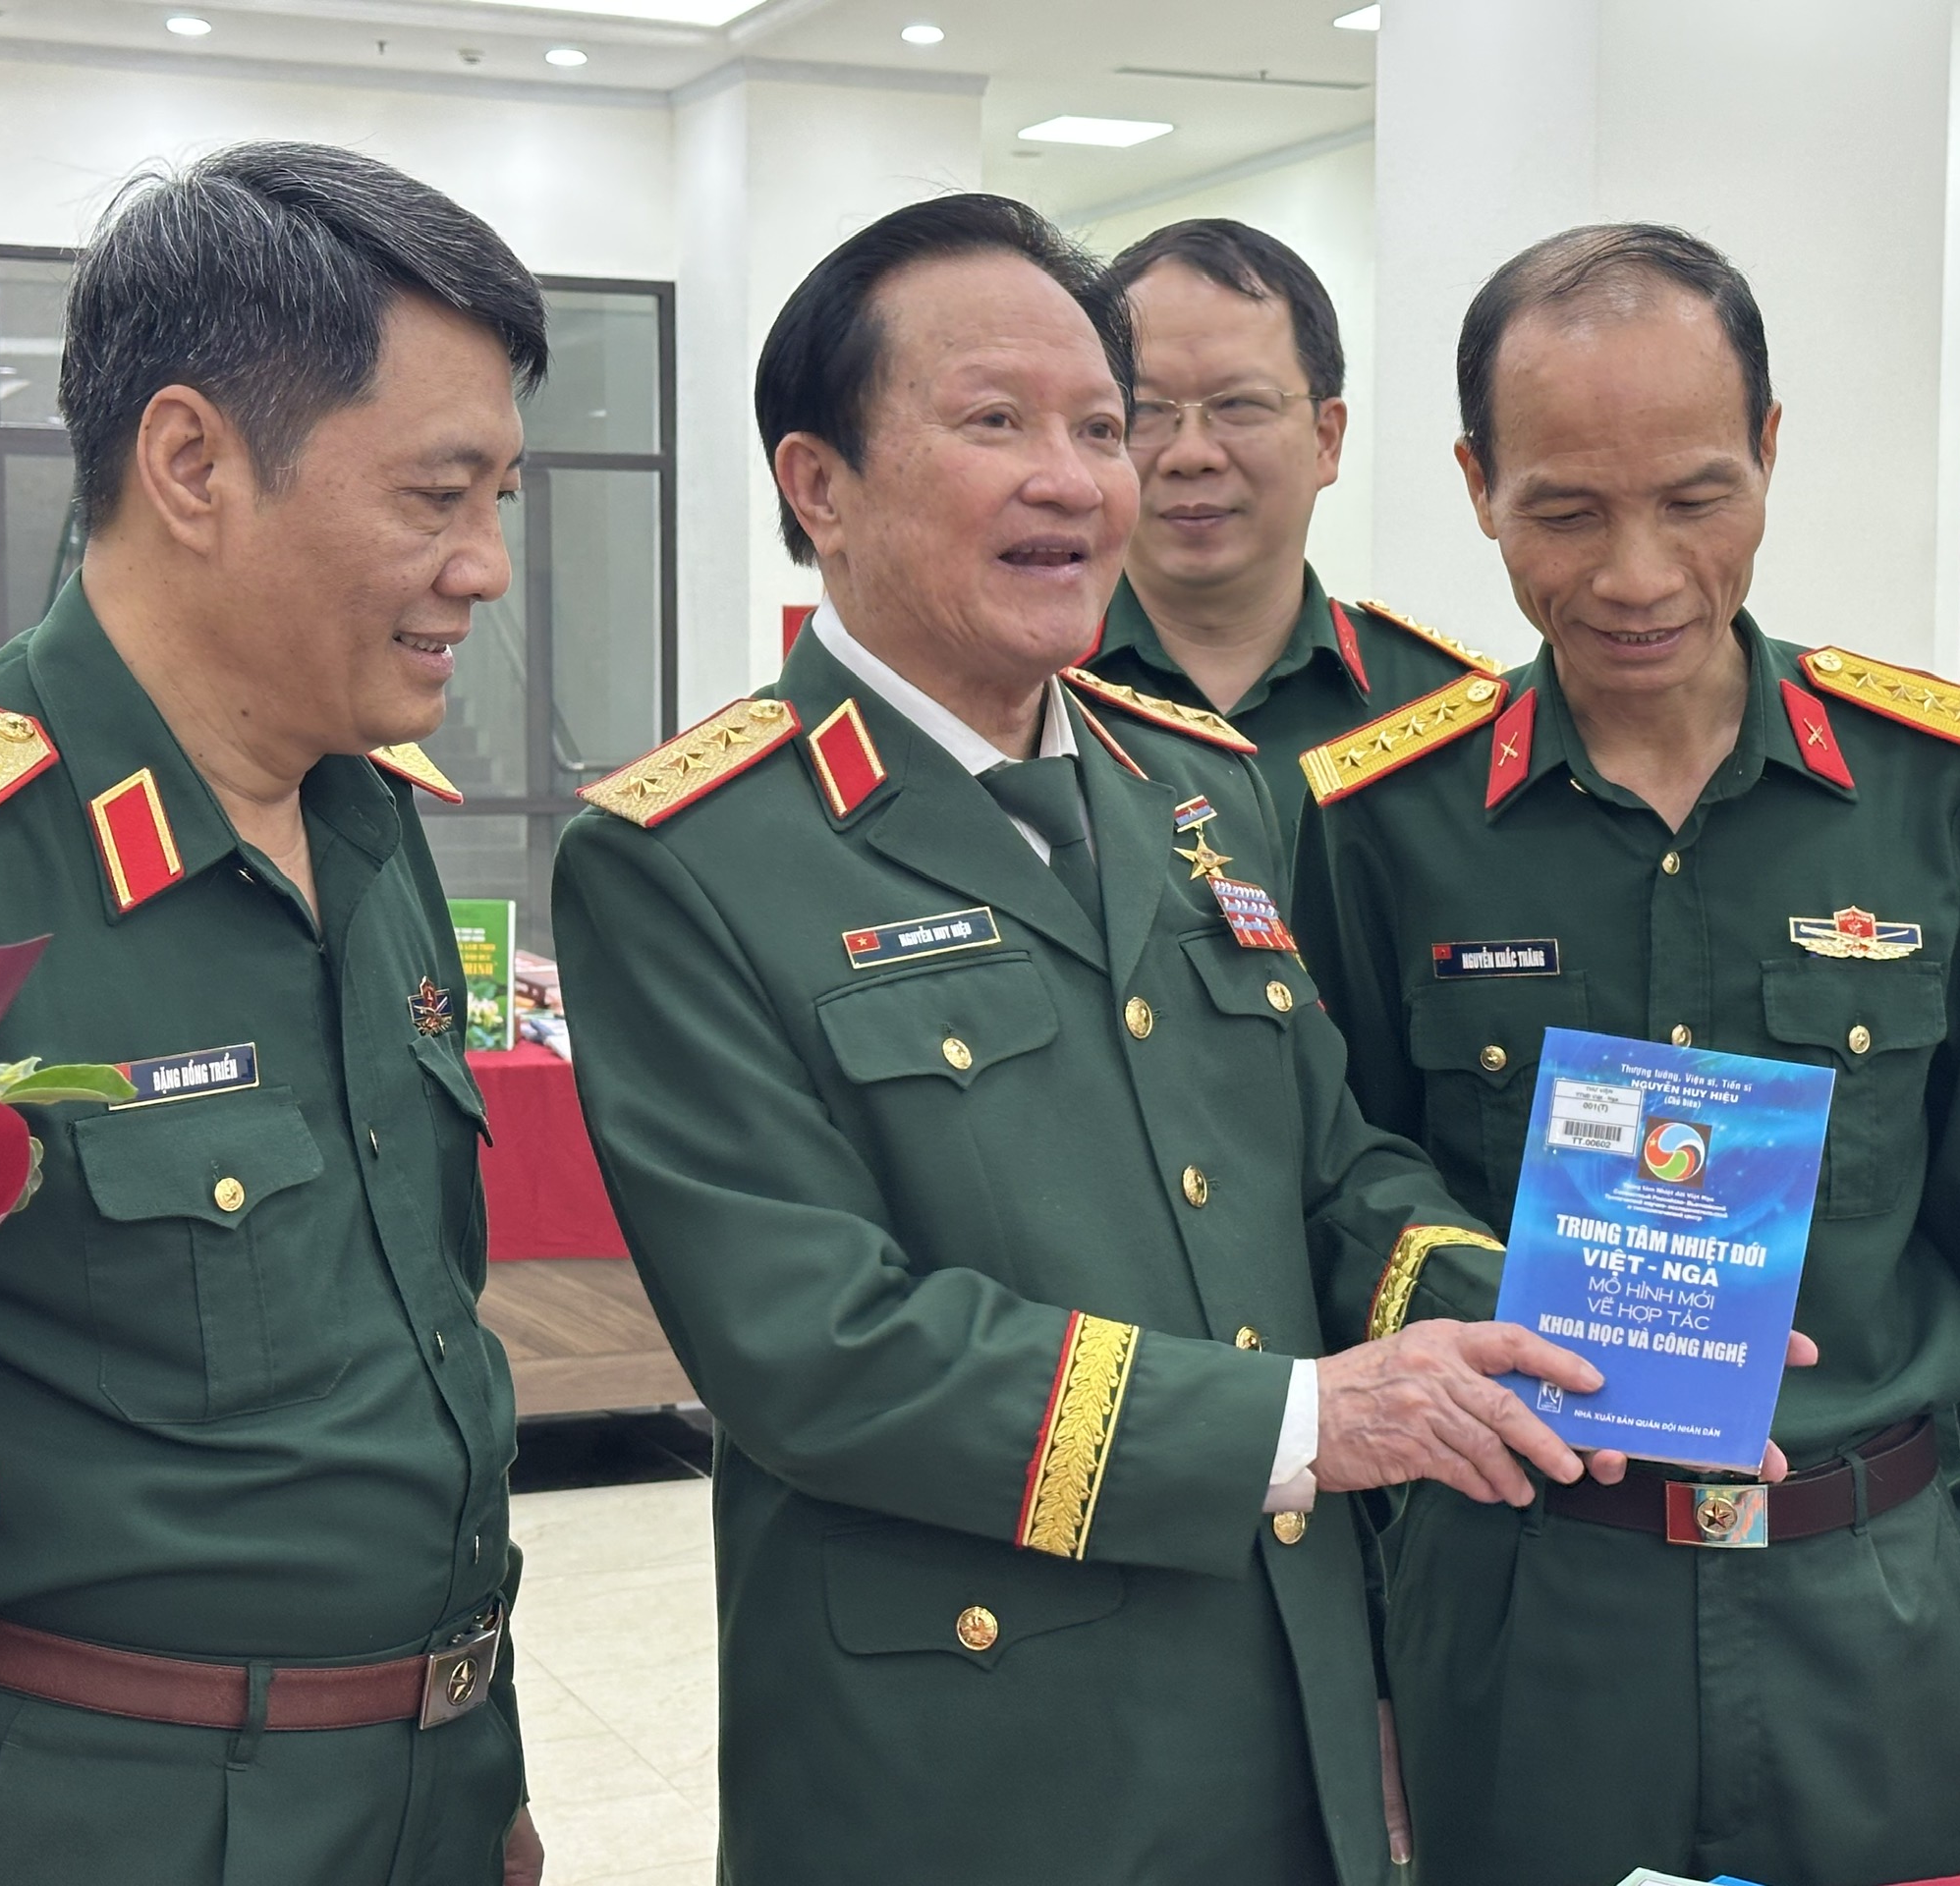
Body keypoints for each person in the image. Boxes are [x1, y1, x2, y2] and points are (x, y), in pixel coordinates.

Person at [550, 192, 1616, 1886]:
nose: (1077, 479)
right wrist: (1303, 1424)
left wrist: (1559, 1310)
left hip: (1281, 1713)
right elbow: (818, 1350)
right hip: (969, 1765)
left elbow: (1328, 1170)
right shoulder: (687, 856)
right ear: (819, 485)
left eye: (1098, 429)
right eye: (996, 423)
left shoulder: (1198, 789)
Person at [1289, 224, 1960, 1886]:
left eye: (1695, 498)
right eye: (1564, 512)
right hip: (1525, 1616)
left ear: (1768, 452)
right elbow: (1331, 1210)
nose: (1637, 576)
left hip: (1872, 1610)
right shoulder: (1385, 820)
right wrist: (1369, 1657)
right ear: (1476, 485)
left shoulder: (1933, 790)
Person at [0, 143, 545, 1886]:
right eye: (439, 496)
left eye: (502, 496)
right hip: (100, 1810)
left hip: (431, 1783)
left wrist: (476, 1764)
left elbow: (420, 1338)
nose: (487, 567)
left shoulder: (373, 823)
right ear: (192, 463)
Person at [1080, 218, 1502, 846]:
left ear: (1325, 439)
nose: (1191, 455)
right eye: (1143, 411)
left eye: (1238, 405)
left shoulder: (1452, 709)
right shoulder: (1020, 692)